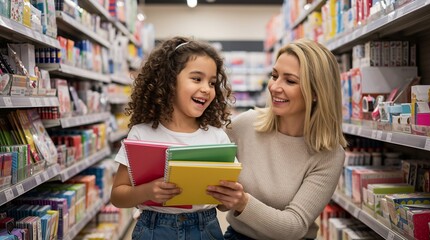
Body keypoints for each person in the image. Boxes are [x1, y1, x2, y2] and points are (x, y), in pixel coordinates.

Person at [207, 38, 348, 240]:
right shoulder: (245, 125)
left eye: (289, 81)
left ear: (317, 92)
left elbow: (295, 226)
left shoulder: (329, 155)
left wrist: (242, 202)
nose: (274, 87)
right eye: (274, 76)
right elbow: (217, 195)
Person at [110, 36, 234, 240]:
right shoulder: (142, 134)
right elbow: (117, 196)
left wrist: (228, 197)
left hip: (206, 229)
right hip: (154, 228)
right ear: (169, 81)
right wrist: (147, 192)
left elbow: (222, 205)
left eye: (212, 83)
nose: (206, 88)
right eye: (197, 79)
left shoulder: (217, 137)